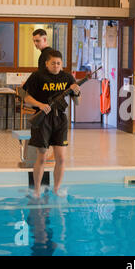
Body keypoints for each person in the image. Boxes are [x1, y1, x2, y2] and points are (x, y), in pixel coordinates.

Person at [23, 50, 81, 197]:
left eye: (59, 63)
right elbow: (26, 98)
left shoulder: (67, 77)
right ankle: (36, 190)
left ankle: (57, 189)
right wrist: (40, 105)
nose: (56, 66)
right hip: (42, 119)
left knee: (61, 158)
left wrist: (78, 92)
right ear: (46, 63)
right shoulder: (37, 76)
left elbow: (77, 103)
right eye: (53, 63)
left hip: (60, 119)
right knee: (41, 157)